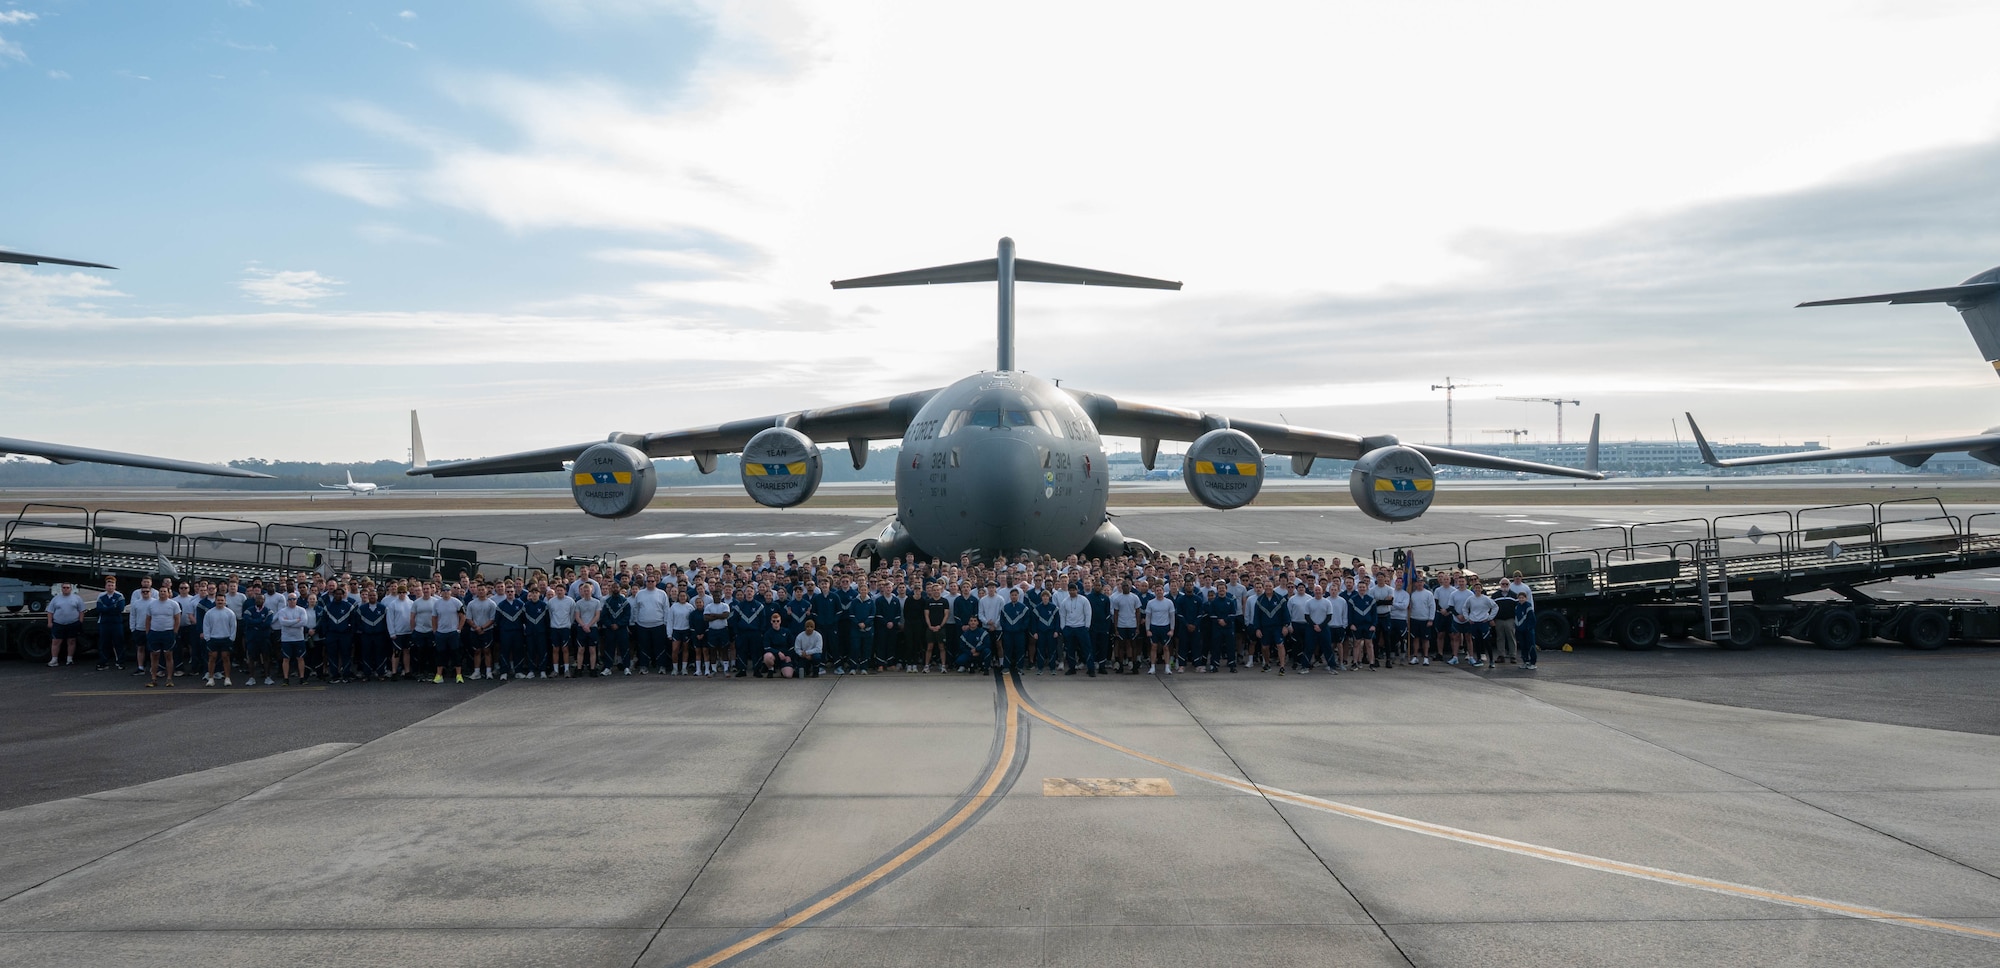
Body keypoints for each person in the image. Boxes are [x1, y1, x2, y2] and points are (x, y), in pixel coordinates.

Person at [144, 584, 183, 686]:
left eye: (164, 591)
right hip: (154, 633)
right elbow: (148, 620)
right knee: (154, 656)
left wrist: (175, 632)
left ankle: (169, 679)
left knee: (168, 655)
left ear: (168, 593)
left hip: (168, 633)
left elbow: (177, 619)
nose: (162, 593)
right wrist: (148, 632)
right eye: (161, 591)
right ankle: (153, 679)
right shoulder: (152, 604)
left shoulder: (174, 604)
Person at [201, 591, 238, 687]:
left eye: (222, 600)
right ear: (215, 601)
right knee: (212, 658)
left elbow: (233, 627)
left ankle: (227, 678)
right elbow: (206, 626)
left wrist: (231, 639)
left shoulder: (230, 613)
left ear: (225, 601)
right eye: (218, 600)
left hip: (226, 639)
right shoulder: (209, 613)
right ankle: (211, 678)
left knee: (226, 658)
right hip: (213, 639)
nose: (220, 602)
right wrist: (208, 639)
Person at [46, 582, 86, 668]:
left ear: (71, 589)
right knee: (56, 641)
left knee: (71, 641)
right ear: (61, 589)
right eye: (64, 587)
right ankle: (54, 660)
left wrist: (80, 621)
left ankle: (69, 659)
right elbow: (50, 611)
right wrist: (49, 622)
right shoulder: (56, 599)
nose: (66, 589)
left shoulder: (77, 598)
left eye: (67, 587)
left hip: (73, 623)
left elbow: (81, 610)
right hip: (58, 623)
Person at [431, 585, 466, 684]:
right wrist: (435, 630)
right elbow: (434, 617)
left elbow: (462, 616)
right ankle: (439, 675)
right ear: (441, 592)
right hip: (441, 633)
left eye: (447, 590)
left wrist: (459, 629)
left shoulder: (456, 602)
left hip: (453, 632)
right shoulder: (437, 603)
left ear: (450, 591)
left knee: (456, 653)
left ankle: (459, 675)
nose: (446, 592)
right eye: (443, 590)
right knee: (440, 654)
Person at [276, 593, 312, 686]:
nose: (292, 601)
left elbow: (303, 622)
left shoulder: (301, 610)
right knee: (286, 659)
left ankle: (302, 677)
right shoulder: (282, 611)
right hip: (286, 639)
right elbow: (283, 622)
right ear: (287, 600)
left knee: (300, 658)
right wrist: (296, 620)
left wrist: (289, 622)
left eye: (294, 599)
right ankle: (286, 679)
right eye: (290, 599)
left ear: (296, 600)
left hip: (299, 638)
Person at [241, 589, 274, 685]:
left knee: (266, 657)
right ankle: (251, 678)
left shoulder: (269, 611)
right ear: (255, 600)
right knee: (251, 658)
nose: (259, 600)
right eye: (258, 599)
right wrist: (260, 620)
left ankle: (268, 677)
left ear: (264, 600)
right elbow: (248, 621)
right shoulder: (248, 610)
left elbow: (267, 624)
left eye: (261, 599)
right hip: (252, 638)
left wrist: (255, 622)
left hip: (264, 638)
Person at [94, 576, 127, 672]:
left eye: (112, 585)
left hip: (116, 623)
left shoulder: (119, 596)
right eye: (109, 585)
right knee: (104, 643)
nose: (110, 587)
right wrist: (112, 607)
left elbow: (120, 608)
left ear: (115, 586)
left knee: (119, 642)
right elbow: (99, 609)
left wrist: (107, 608)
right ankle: (103, 662)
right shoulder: (101, 596)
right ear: (105, 586)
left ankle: (120, 662)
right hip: (104, 623)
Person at [758, 611, 796, 679]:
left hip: (785, 656)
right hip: (774, 656)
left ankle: (783, 670)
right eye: (774, 621)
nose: (776, 622)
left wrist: (789, 656)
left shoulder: (786, 631)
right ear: (771, 622)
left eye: (778, 621)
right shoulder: (768, 633)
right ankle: (771, 669)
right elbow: (766, 647)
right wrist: (778, 652)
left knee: (788, 675)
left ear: (780, 621)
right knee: (767, 656)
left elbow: (792, 645)